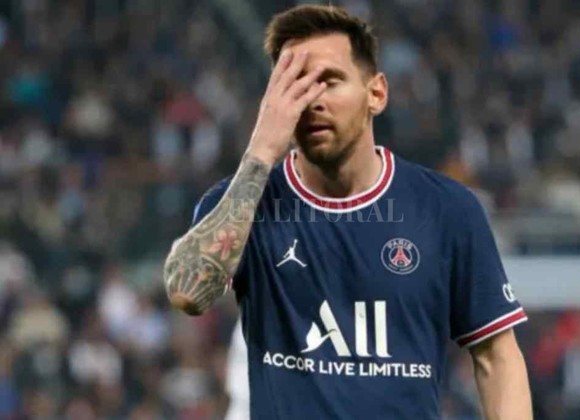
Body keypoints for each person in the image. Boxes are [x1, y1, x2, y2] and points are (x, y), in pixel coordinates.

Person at [163, 5, 532, 419]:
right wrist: (261, 151)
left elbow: (497, 357)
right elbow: (187, 293)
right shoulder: (242, 205)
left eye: (329, 81)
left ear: (376, 94)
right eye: (295, 85)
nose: (313, 100)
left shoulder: (447, 210)